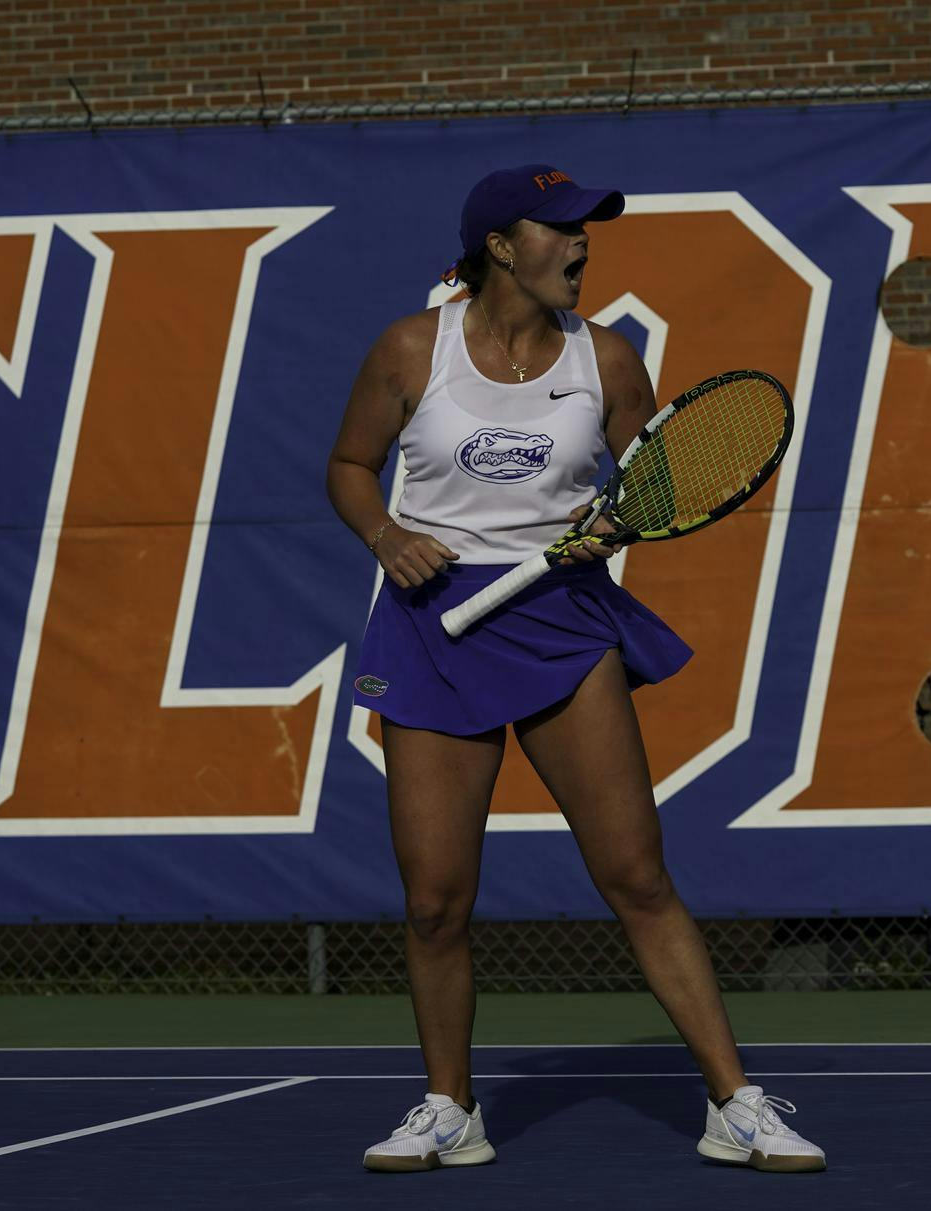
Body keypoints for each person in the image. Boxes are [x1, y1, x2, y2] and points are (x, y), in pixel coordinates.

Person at [326, 164, 826, 1175]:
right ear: (501, 246)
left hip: (560, 623)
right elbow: (347, 466)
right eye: (560, 227)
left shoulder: (606, 358)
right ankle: (446, 1108)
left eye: (587, 228)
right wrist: (385, 534)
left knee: (636, 874)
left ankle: (735, 1104)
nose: (582, 243)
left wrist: (608, 530)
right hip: (430, 629)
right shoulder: (409, 350)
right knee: (434, 899)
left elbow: (655, 481)